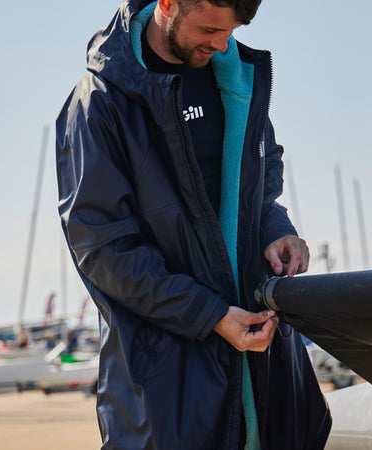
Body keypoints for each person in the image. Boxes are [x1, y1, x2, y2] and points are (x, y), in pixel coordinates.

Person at [56, 0, 332, 448]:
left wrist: (275, 229)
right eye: (209, 30)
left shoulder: (237, 78)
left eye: (231, 31)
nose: (222, 45)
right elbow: (105, 251)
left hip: (267, 369)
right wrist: (211, 315)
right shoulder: (98, 105)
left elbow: (261, 178)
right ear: (168, 4)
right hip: (168, 384)